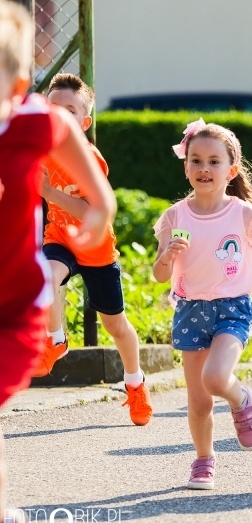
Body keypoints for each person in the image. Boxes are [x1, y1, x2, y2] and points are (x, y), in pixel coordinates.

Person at [0, 2, 117, 523]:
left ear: (18, 81)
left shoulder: (40, 125)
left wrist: (94, 222)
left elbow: (100, 197)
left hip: (17, 304)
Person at [153, 118, 252, 490]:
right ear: (185, 167)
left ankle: (240, 397)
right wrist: (167, 257)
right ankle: (203, 461)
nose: (204, 168)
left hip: (232, 307)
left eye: (214, 162)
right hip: (189, 309)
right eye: (196, 160)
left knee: (216, 378)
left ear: (231, 170)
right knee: (199, 400)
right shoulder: (174, 217)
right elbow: (157, 274)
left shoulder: (243, 214)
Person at [34, 73, 153, 425]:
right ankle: (56, 340)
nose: (60, 115)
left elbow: (90, 211)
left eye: (69, 110)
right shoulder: (38, 152)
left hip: (96, 248)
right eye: (53, 107)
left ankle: (135, 383)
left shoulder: (88, 158)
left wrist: (50, 194)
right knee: (45, 275)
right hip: (59, 239)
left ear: (84, 122)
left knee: (116, 327)